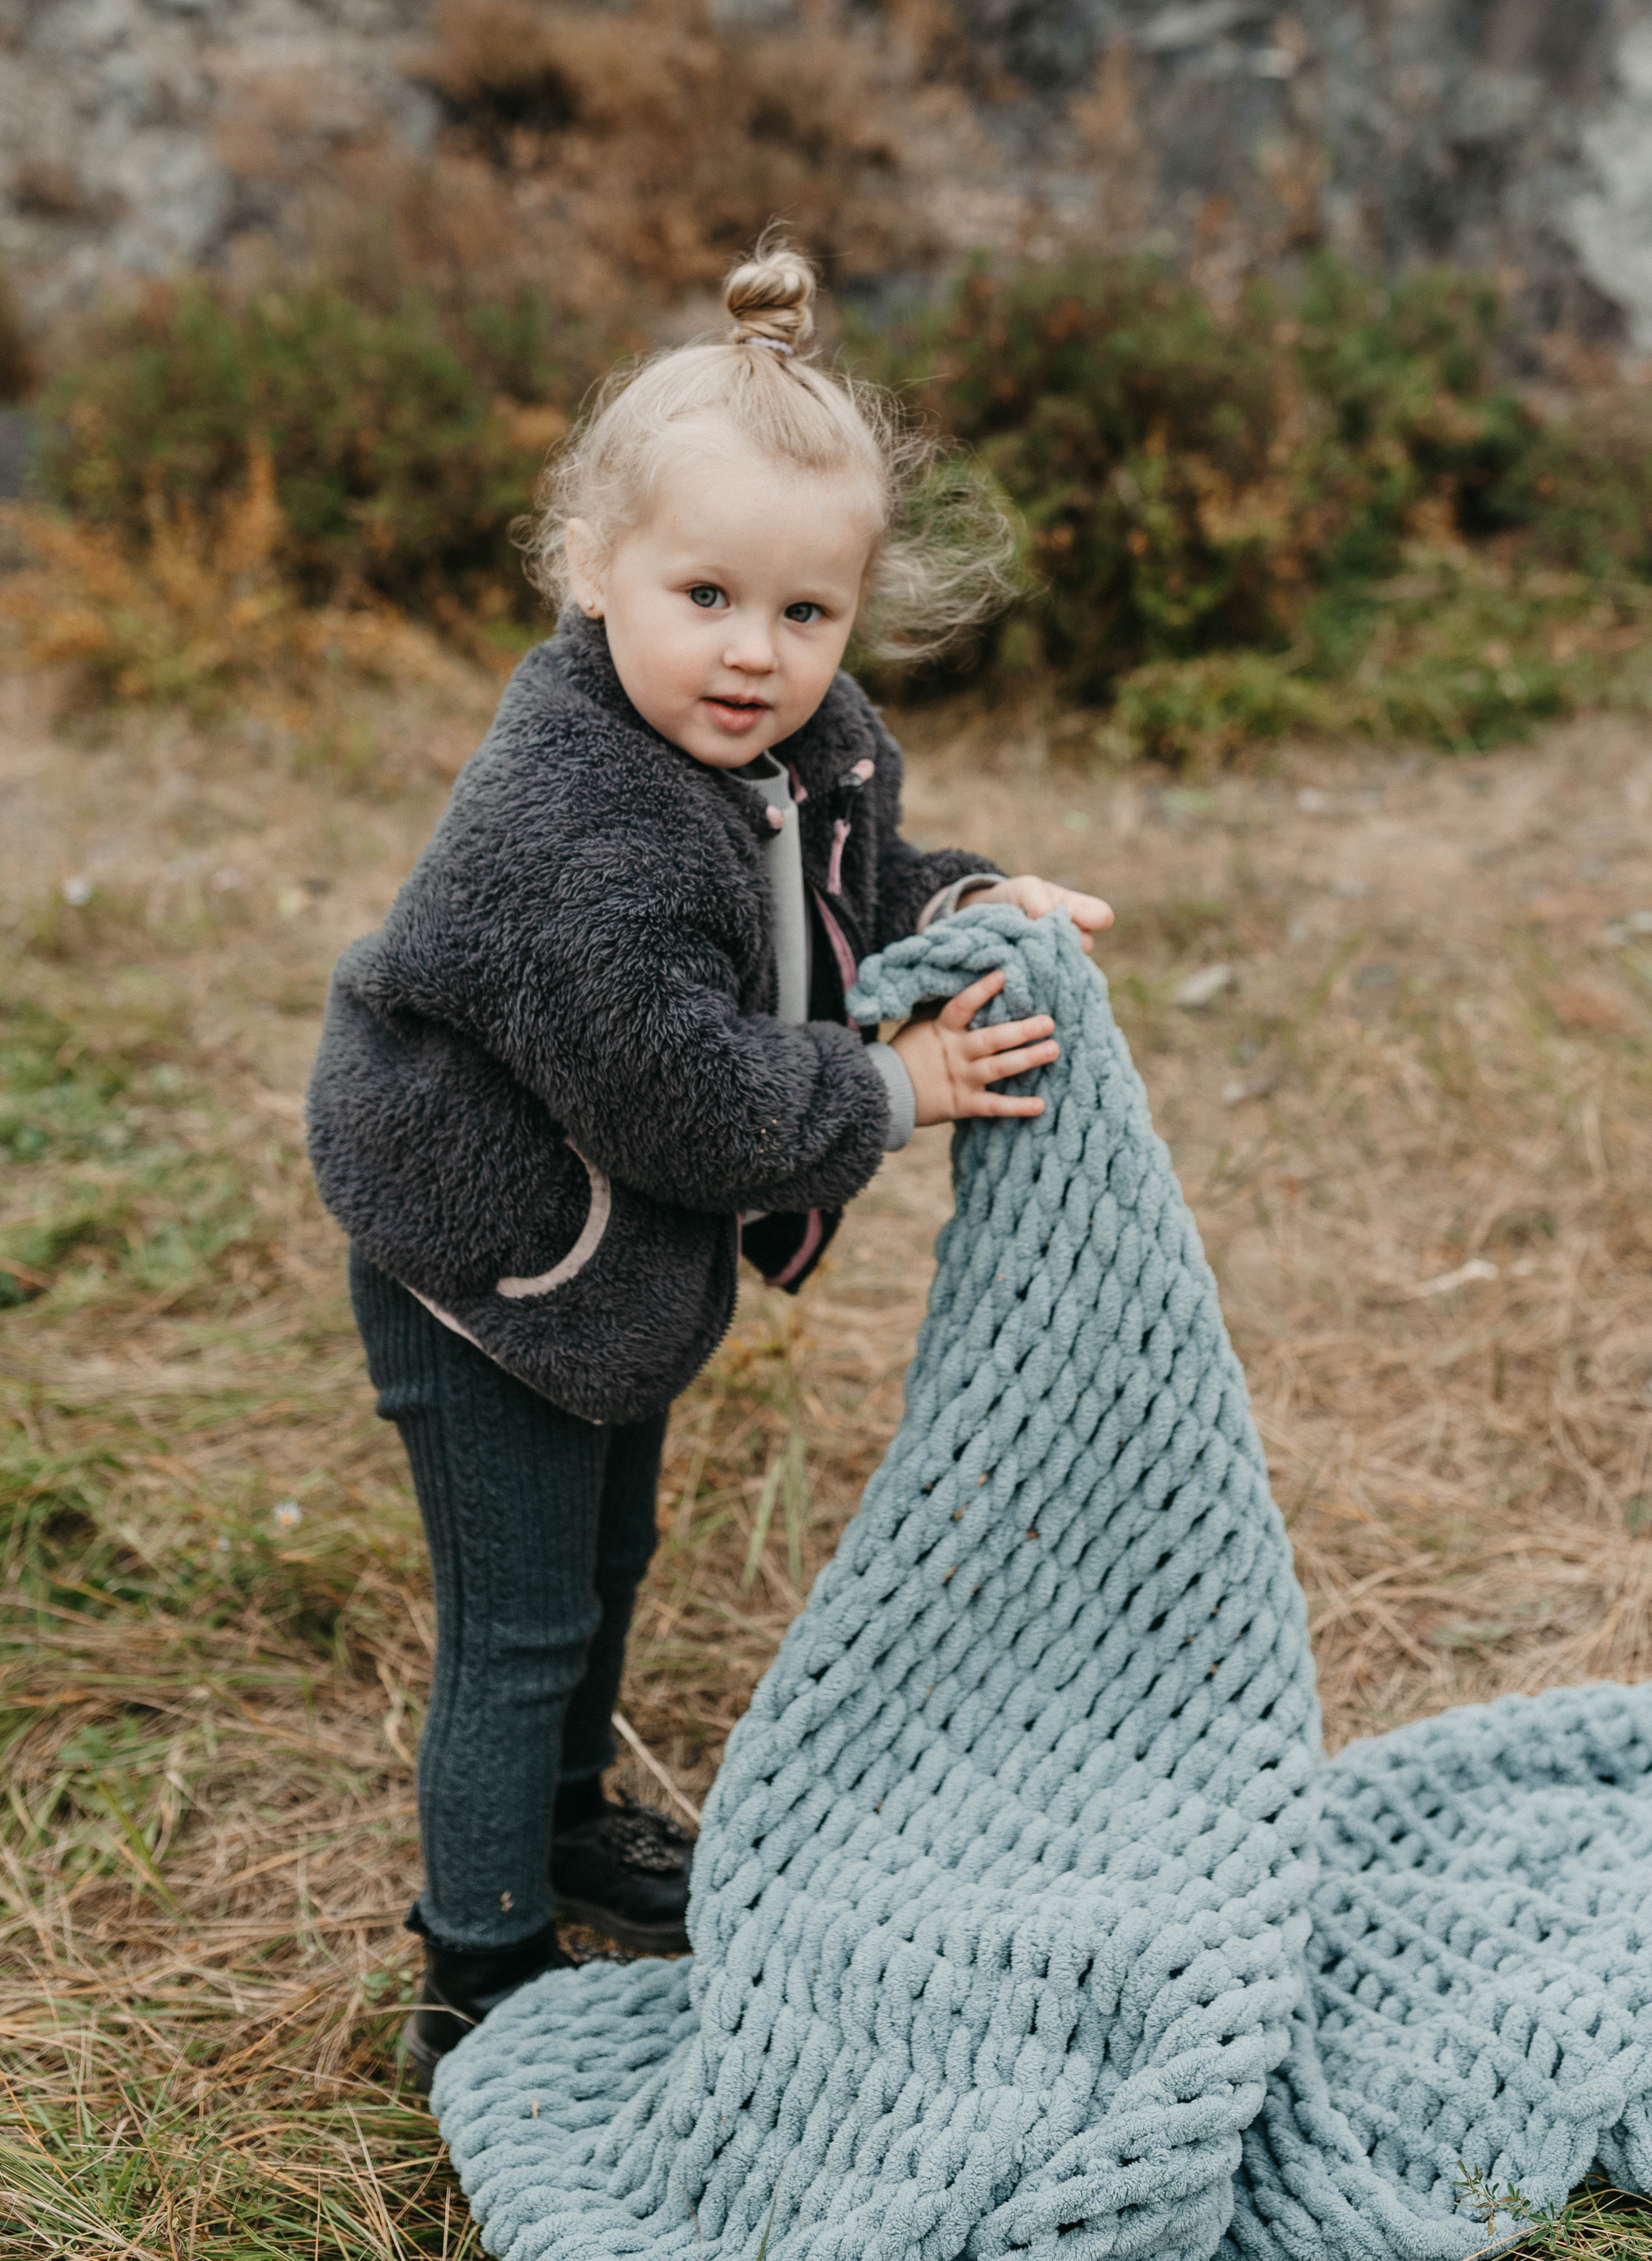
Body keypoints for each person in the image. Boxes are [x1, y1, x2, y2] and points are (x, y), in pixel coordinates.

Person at [305, 245, 1113, 2087]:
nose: (756, 651)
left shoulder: (803, 743)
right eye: (705, 594)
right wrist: (897, 1088)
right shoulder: (564, 822)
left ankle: (571, 1823)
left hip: (607, 1253)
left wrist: (966, 900)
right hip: (486, 1256)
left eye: (807, 611)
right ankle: (477, 1966)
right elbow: (690, 1102)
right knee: (514, 1621)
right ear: (592, 573)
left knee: (614, 1551)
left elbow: (832, 903)